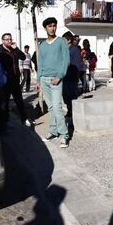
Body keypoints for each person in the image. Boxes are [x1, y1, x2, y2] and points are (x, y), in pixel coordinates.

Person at [36, 17, 70, 148]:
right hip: (44, 79)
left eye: (54, 25)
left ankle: (64, 135)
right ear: (45, 28)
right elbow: (41, 63)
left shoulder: (61, 41)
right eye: (49, 26)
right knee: (50, 108)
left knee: (57, 107)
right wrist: (39, 80)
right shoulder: (42, 45)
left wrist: (60, 76)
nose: (52, 28)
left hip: (55, 79)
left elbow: (66, 61)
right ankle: (53, 130)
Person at [0, 33, 33, 127]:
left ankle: (24, 119)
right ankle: (5, 121)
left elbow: (23, 57)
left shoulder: (14, 50)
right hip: (6, 81)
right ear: (3, 41)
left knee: (19, 101)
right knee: (5, 102)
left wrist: (16, 48)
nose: (9, 41)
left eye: (10, 39)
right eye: (7, 39)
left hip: (15, 80)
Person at [62, 31, 82, 123]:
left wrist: (76, 76)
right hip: (65, 77)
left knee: (71, 97)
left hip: (72, 77)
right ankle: (69, 112)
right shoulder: (65, 49)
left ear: (69, 40)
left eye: (64, 40)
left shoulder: (74, 49)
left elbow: (77, 64)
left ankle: (72, 114)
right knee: (66, 96)